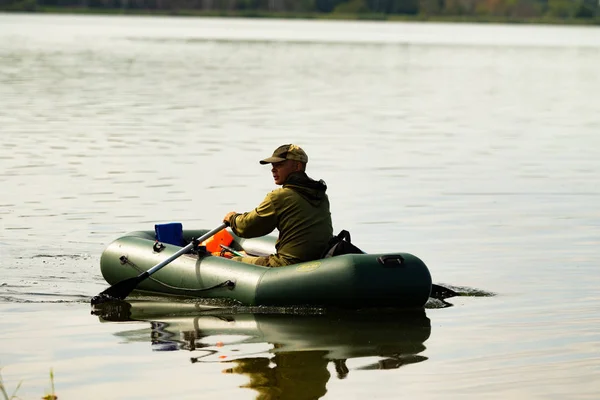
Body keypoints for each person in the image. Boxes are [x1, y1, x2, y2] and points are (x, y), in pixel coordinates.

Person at [223, 144, 333, 267]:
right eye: (273, 165)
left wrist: (232, 219)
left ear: (297, 166)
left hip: (288, 266)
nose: (273, 169)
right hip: (321, 264)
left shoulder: (280, 197)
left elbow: (247, 227)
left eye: (279, 165)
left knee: (228, 261)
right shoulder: (321, 196)